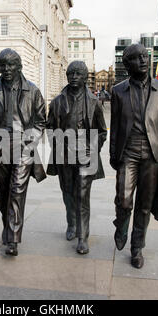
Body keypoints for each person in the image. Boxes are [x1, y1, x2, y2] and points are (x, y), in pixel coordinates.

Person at [109, 44, 158, 269]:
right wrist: (112, 155)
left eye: (145, 57)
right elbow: (116, 127)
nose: (144, 61)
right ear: (127, 64)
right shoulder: (118, 91)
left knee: (144, 205)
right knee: (124, 200)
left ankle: (137, 248)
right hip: (127, 152)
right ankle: (121, 224)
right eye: (137, 58)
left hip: (153, 155)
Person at [0, 48, 46, 256]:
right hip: (0, 148)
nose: (6, 69)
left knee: (17, 191)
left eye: (10, 64)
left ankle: (13, 239)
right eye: (2, 65)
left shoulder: (33, 91)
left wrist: (31, 140)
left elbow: (41, 121)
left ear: (19, 66)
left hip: (23, 147)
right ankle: (8, 227)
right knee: (3, 194)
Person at [47, 61, 107, 254]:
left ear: (85, 77)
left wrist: (93, 148)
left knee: (82, 195)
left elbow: (102, 131)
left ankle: (83, 236)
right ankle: (71, 223)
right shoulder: (57, 102)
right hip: (64, 153)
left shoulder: (94, 102)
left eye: (78, 74)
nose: (74, 77)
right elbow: (49, 128)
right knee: (67, 193)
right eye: (71, 73)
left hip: (85, 154)